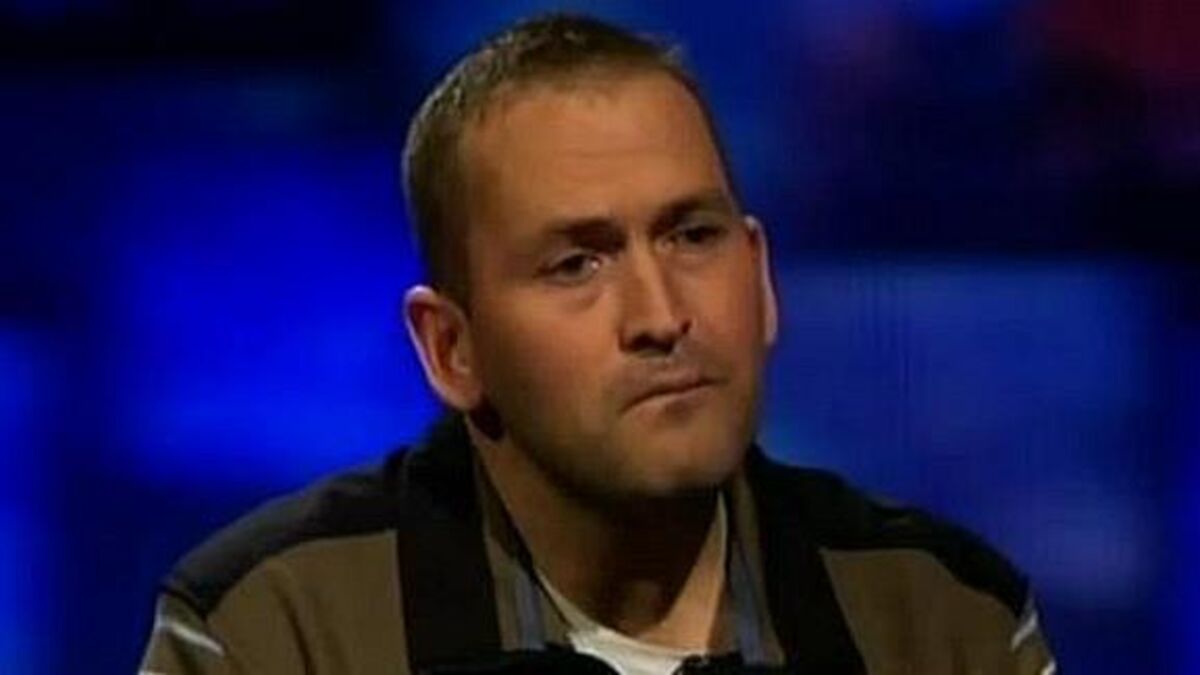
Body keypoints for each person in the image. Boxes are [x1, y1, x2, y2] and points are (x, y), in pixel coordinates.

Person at [139, 13, 1056, 675]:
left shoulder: (945, 621)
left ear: (761, 276)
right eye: (577, 263)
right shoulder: (276, 631)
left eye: (692, 236)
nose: (660, 314)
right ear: (451, 348)